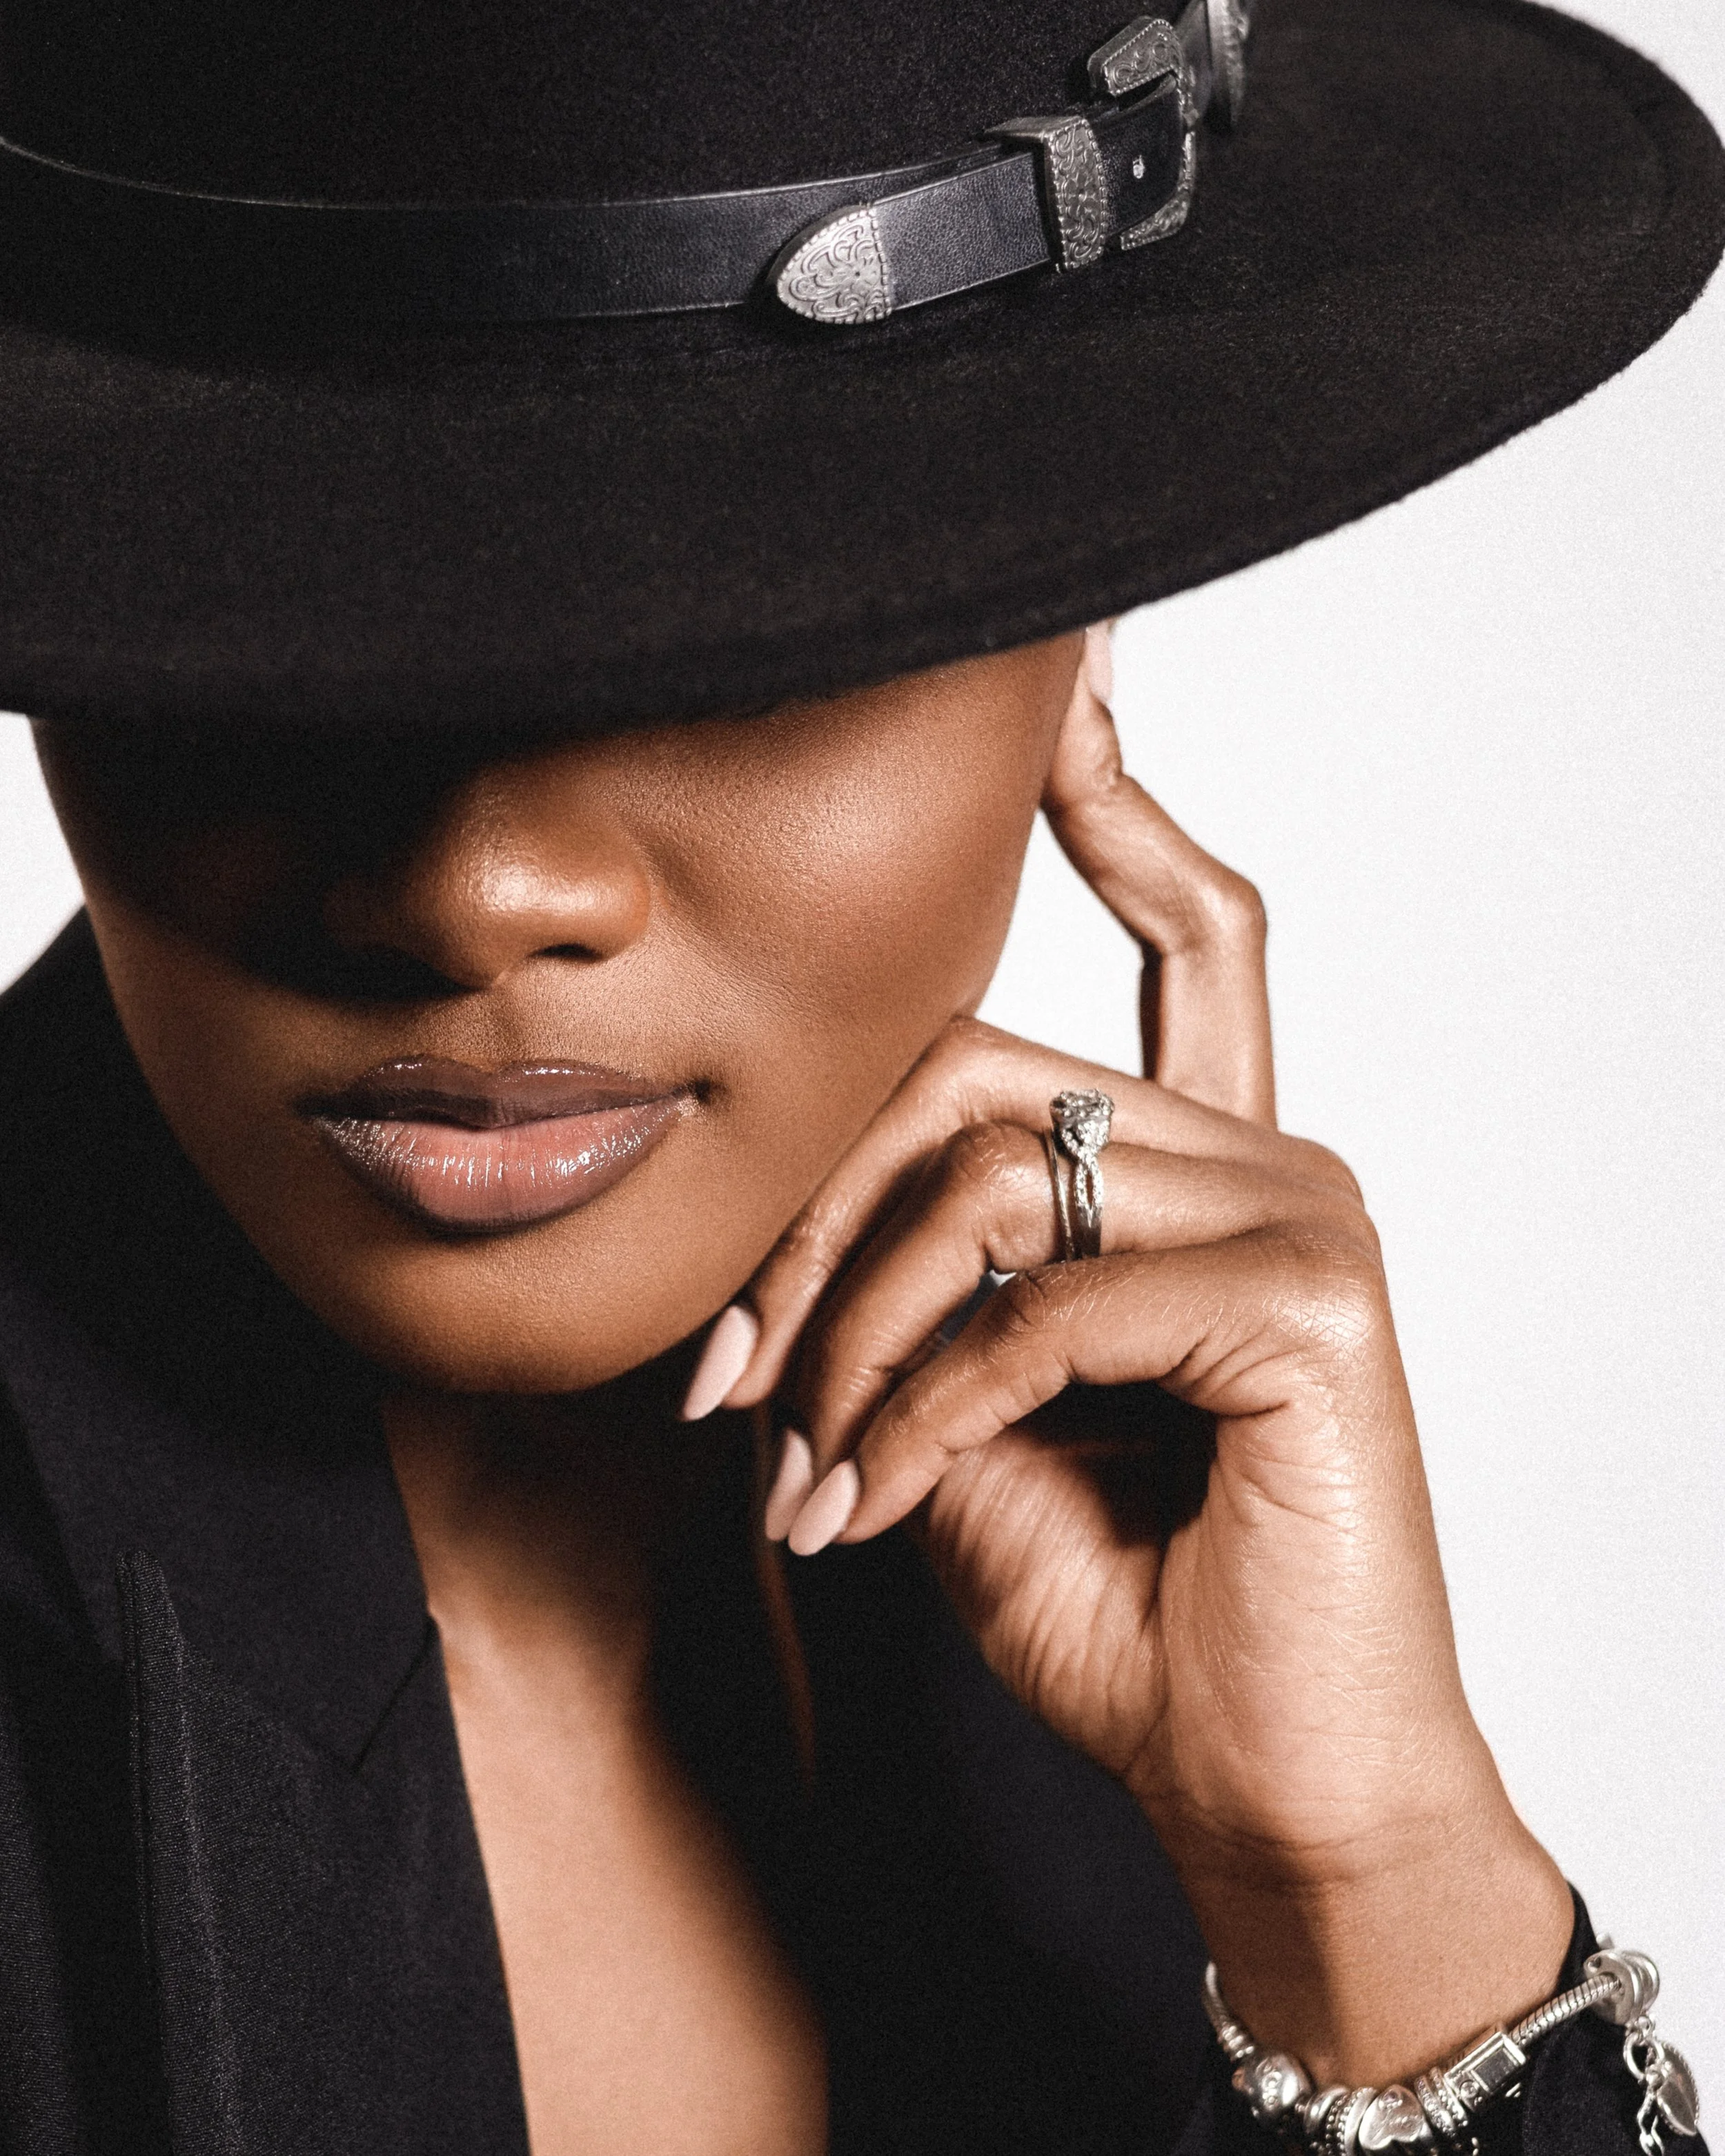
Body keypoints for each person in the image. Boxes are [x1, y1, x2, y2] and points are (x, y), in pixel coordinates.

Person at [0, 2, 1716, 2153]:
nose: (477, 884)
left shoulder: (1075, 1563)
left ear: (1084, 619)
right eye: (254, 601)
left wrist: (1361, 1887)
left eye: (732, 624)